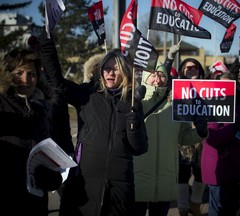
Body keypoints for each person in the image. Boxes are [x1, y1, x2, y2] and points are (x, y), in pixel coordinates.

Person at [39, 32, 149, 216]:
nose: (110, 73)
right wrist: (47, 49)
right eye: (106, 68)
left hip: (119, 189)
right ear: (100, 71)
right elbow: (58, 82)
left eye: (115, 69)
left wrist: (135, 124)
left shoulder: (132, 103)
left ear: (124, 72)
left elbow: (139, 148)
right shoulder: (87, 95)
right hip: (84, 184)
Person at [132, 46, 207, 216]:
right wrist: (134, 105)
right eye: (152, 75)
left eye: (161, 75)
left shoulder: (176, 104)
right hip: (138, 179)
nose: (157, 79)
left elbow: (183, 137)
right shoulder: (135, 102)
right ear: (144, 78)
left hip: (165, 179)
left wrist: (200, 133)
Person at [0, 47, 63, 215]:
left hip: (36, 202)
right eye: (19, 73)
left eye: (31, 74)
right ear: (7, 74)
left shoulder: (41, 108)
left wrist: (51, 176)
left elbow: (46, 151)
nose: (25, 80)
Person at [201, 64, 240, 216]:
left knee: (231, 208)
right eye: (223, 86)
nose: (227, 89)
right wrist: (235, 127)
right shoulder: (209, 107)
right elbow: (212, 138)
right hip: (217, 169)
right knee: (217, 210)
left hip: (235, 168)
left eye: (230, 86)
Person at [177, 58, 208, 216]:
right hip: (182, 136)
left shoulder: (209, 87)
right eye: (187, 68)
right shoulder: (176, 87)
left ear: (199, 70)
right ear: (182, 70)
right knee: (182, 174)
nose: (191, 70)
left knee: (201, 173)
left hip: (201, 137)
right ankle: (182, 207)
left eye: (194, 68)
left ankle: (195, 204)